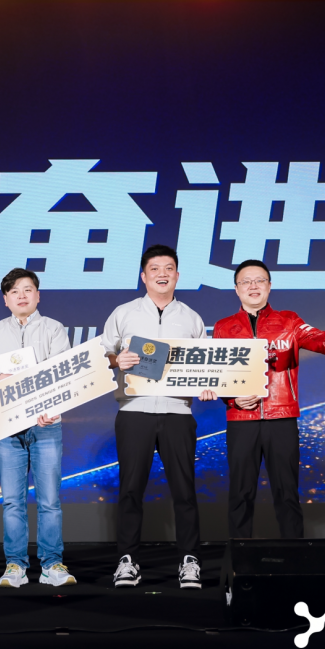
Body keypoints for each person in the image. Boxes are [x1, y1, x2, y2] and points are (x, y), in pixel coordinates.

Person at [102, 244, 216, 589]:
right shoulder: (123, 313)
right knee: (130, 489)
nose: (162, 274)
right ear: (144, 276)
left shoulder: (191, 318)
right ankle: (127, 560)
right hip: (133, 410)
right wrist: (116, 360)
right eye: (155, 268)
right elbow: (102, 354)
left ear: (177, 275)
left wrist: (208, 384)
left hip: (178, 411)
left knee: (184, 490)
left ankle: (190, 560)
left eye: (168, 268)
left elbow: (207, 365)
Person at [213, 259, 325, 539]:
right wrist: (234, 400)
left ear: (269, 286)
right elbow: (217, 374)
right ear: (236, 289)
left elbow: (317, 338)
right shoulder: (223, 327)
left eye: (259, 280)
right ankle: (240, 558)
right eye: (246, 281)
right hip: (241, 420)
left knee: (287, 493)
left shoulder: (289, 321)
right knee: (240, 493)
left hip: (282, 418)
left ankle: (294, 557)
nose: (253, 286)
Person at [0, 268, 75, 588]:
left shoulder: (54, 328)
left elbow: (63, 372)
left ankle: (52, 563)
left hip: (46, 424)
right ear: (5, 299)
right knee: (12, 501)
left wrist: (52, 406)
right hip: (8, 425)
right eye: (14, 291)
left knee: (49, 501)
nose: (21, 295)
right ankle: (15, 565)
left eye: (28, 289)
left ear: (38, 295)